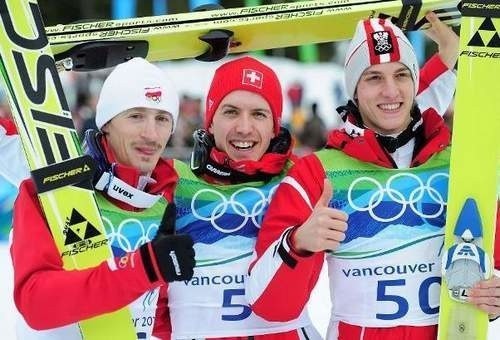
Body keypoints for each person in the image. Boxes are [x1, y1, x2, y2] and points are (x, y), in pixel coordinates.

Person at [245, 13, 500, 340]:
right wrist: (297, 244)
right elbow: (268, 305)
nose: (390, 90)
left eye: (401, 75)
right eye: (373, 78)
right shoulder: (318, 173)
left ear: (414, 81)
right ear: (354, 89)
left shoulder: (457, 164)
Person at [10, 57, 195, 339]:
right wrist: (143, 267)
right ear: (106, 123)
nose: (151, 134)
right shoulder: (52, 191)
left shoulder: (173, 192)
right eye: (135, 116)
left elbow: (162, 314)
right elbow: (36, 304)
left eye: (162, 119)